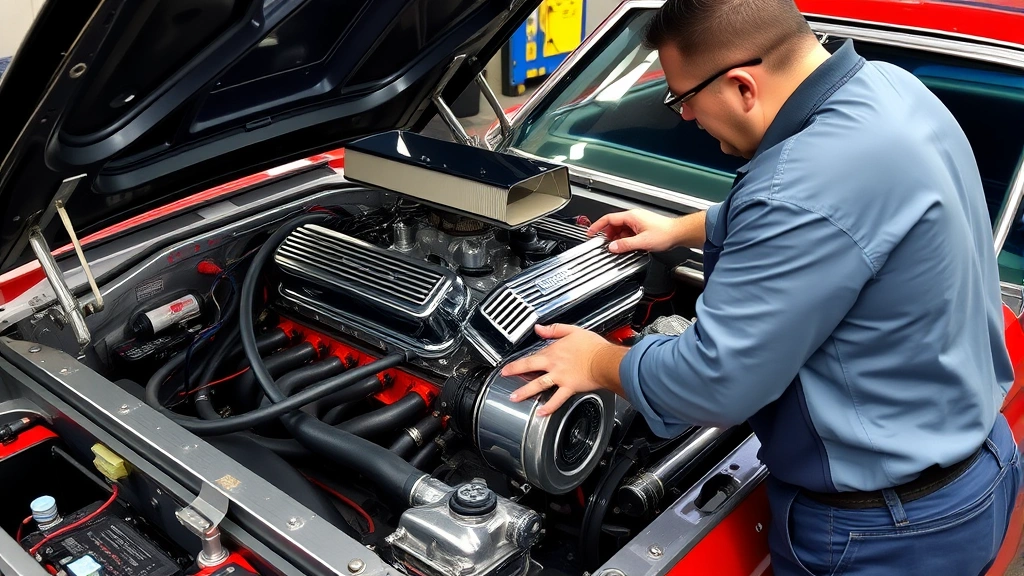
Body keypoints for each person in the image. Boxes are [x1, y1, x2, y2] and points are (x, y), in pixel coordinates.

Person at [500, 0, 1024, 574]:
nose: (684, 117)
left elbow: (715, 383)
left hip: (882, 533)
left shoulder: (799, 186)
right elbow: (847, 215)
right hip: (979, 471)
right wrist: (686, 226)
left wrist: (600, 361)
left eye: (682, 98)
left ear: (742, 86)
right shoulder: (890, 89)